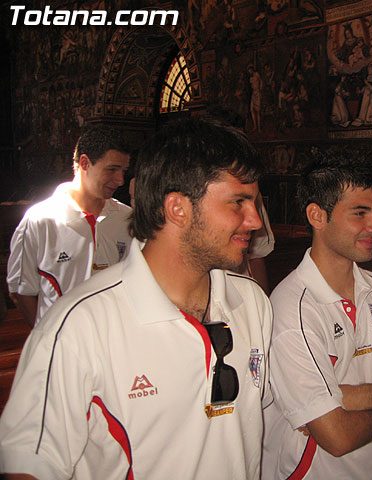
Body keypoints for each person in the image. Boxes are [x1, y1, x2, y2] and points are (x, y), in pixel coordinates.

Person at [0, 119, 273, 479]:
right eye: (238, 202)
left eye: (254, 202)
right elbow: (30, 465)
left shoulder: (252, 302)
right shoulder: (79, 325)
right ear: (178, 208)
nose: (254, 221)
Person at [262, 155, 372, 479]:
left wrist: (358, 395)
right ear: (317, 215)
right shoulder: (293, 311)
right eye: (360, 214)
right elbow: (337, 436)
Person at [6, 125, 132, 328]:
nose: (120, 180)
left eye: (123, 170)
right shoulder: (39, 220)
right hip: (61, 345)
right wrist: (46, 336)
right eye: (112, 169)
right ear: (85, 163)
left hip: (113, 340)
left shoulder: (127, 219)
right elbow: (21, 292)